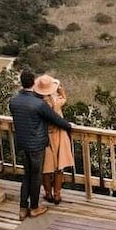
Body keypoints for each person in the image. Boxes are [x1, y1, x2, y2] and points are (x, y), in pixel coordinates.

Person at [9, 70, 73, 220]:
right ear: (33, 83)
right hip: (37, 145)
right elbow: (57, 120)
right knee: (36, 176)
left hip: (23, 143)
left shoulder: (14, 101)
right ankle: (35, 208)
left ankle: (22, 208)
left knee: (27, 176)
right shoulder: (38, 104)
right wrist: (69, 126)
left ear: (22, 83)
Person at [36, 75, 74, 204]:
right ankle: (57, 194)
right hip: (59, 135)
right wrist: (60, 89)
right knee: (59, 166)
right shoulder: (56, 101)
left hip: (44, 136)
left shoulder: (38, 103)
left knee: (46, 168)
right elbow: (64, 98)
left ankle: (48, 193)